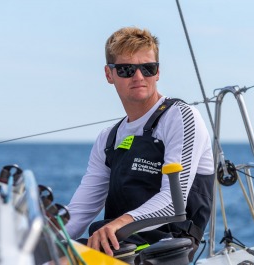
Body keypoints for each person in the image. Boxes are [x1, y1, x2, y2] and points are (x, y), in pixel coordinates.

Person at [65, 26, 214, 261]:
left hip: (165, 246)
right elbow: (80, 211)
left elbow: (173, 205)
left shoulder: (180, 116)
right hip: (116, 243)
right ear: (109, 74)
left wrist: (118, 224)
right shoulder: (108, 138)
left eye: (147, 68)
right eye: (126, 69)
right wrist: (39, 238)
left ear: (157, 72)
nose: (138, 77)